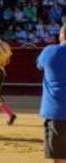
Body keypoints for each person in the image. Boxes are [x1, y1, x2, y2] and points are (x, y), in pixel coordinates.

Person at [37, 24, 66, 162]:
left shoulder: (49, 51)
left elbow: (39, 65)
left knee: (59, 157)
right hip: (57, 113)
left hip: (57, 113)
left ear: (62, 35)